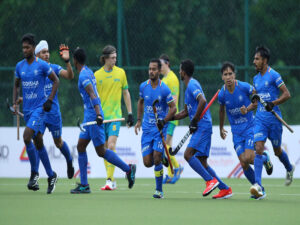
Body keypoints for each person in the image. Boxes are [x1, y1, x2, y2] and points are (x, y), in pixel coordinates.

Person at [70, 48, 136, 194]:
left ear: (75, 60)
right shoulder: (87, 71)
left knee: (101, 151)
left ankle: (128, 169)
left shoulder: (84, 76)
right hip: (89, 116)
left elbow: (93, 94)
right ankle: (84, 185)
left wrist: (99, 115)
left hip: (94, 116)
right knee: (81, 147)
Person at [172, 59, 232, 199]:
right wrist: (167, 119)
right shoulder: (188, 89)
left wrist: (194, 120)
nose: (179, 72)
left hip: (202, 126)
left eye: (180, 69)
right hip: (201, 126)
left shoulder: (192, 85)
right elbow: (185, 112)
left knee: (188, 155)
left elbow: (203, 101)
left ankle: (210, 181)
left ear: (184, 72)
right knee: (202, 161)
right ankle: (225, 189)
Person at [18, 40, 75, 179]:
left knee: (58, 143)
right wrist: (22, 100)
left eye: (48, 52)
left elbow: (70, 76)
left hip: (53, 113)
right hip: (40, 113)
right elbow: (36, 95)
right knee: (38, 140)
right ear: (37, 54)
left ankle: (69, 161)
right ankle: (36, 175)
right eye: (44, 52)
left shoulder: (53, 68)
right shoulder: (33, 70)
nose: (47, 54)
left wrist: (67, 61)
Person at [13, 33, 59, 194]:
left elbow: (56, 81)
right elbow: (16, 85)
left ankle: (34, 174)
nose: (24, 50)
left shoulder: (42, 65)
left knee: (26, 137)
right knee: (38, 141)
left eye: (27, 47)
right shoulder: (19, 66)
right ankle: (52, 175)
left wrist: (50, 100)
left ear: (33, 48)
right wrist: (14, 103)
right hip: (27, 110)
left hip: (39, 110)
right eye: (23, 48)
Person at [218, 62, 272, 197]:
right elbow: (221, 110)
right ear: (222, 77)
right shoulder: (222, 94)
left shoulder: (244, 87)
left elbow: (256, 100)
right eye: (225, 74)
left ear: (234, 75)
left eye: (230, 74)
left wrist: (247, 109)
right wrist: (221, 128)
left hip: (249, 127)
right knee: (243, 163)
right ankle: (260, 190)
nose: (228, 77)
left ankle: (264, 158)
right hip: (236, 132)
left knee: (248, 157)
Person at [249, 46, 295, 199]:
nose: (254, 61)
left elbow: (287, 94)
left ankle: (289, 168)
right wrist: (251, 104)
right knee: (259, 148)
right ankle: (258, 185)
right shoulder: (256, 78)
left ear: (264, 60)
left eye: (257, 59)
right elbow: (257, 99)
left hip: (274, 121)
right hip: (260, 120)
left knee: (277, 151)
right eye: (254, 59)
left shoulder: (274, 75)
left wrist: (273, 103)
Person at [134, 59, 176, 199]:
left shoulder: (164, 89)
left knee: (156, 158)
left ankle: (159, 190)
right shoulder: (143, 87)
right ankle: (162, 158)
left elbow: (173, 108)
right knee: (147, 163)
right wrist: (139, 120)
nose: (151, 71)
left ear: (159, 71)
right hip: (146, 130)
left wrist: (164, 121)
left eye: (154, 69)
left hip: (160, 130)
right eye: (149, 69)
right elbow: (140, 102)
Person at [94, 45, 134, 191]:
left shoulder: (121, 73)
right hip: (101, 118)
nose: (114, 60)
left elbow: (126, 93)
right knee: (104, 150)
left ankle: (109, 180)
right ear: (105, 58)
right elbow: (93, 97)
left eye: (116, 57)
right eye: (112, 58)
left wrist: (130, 113)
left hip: (115, 117)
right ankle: (112, 179)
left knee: (111, 146)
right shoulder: (97, 75)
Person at [159, 54, 183, 184]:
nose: (159, 68)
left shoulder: (172, 78)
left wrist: (168, 117)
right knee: (168, 146)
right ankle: (170, 173)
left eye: (161, 65)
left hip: (171, 117)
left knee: (165, 145)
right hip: (166, 117)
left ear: (167, 64)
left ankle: (177, 167)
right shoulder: (165, 78)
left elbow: (174, 99)